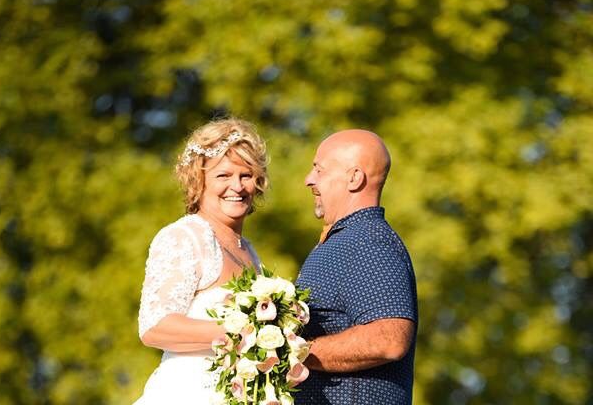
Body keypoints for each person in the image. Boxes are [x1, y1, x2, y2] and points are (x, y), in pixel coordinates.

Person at [133, 118, 268, 404]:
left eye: (246, 175)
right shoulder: (184, 237)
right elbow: (155, 327)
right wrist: (243, 333)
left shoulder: (251, 253)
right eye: (224, 176)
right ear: (200, 180)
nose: (238, 186)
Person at [295, 130, 418, 405]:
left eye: (319, 169)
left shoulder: (368, 240)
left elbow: (389, 338)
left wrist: (294, 350)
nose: (309, 179)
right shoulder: (348, 239)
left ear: (355, 178)